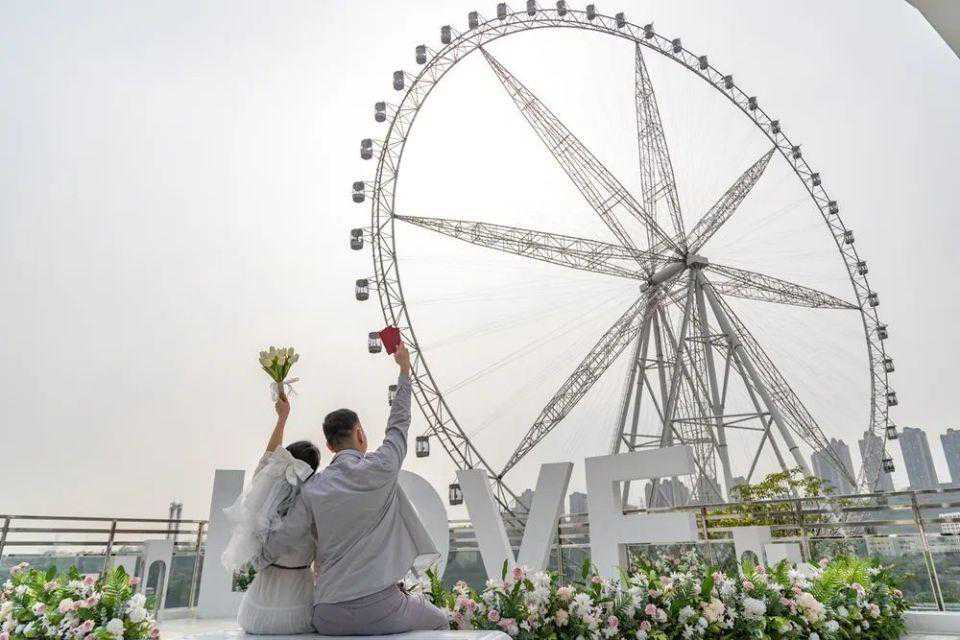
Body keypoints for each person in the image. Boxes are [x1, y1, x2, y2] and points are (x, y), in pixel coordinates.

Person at [256, 342, 448, 635]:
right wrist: (404, 369)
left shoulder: (313, 489)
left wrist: (255, 553)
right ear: (360, 434)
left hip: (328, 614)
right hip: (382, 607)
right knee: (440, 621)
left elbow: (283, 539)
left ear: (330, 446)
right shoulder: (382, 467)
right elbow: (399, 424)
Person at [221, 394, 320, 635]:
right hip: (300, 611)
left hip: (256, 613)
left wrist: (282, 419)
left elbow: (267, 459)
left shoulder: (263, 492)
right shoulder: (314, 500)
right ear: (312, 470)